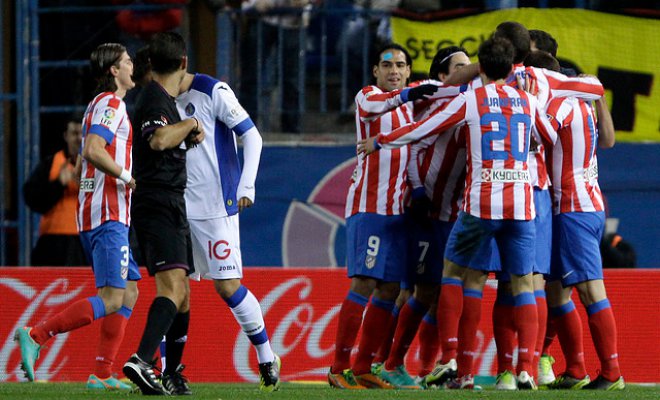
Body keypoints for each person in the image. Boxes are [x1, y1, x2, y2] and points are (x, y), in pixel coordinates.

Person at [359, 37, 558, 390]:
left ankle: (456, 365)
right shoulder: (527, 99)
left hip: (480, 205)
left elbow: (424, 129)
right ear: (512, 68)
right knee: (524, 283)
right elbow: (549, 136)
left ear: (479, 68)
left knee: (455, 274)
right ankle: (525, 368)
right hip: (521, 204)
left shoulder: (472, 100)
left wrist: (380, 141)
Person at [15, 43, 139, 391]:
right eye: (128, 61)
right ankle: (37, 334)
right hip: (107, 215)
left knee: (128, 293)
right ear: (114, 70)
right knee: (113, 297)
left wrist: (89, 192)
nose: (133, 65)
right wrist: (128, 179)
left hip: (102, 213)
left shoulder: (97, 106)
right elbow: (92, 151)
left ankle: (102, 374)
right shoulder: (111, 104)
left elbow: (85, 163)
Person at [327, 43, 441, 390]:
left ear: (408, 70)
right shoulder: (368, 97)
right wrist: (411, 91)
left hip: (398, 213)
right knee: (364, 282)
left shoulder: (410, 113)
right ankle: (338, 368)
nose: (394, 70)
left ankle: (364, 367)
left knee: (391, 289)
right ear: (375, 71)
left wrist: (419, 192)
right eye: (387, 65)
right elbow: (381, 103)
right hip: (370, 207)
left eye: (400, 65)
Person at [175, 69, 280, 391]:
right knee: (175, 289)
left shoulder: (212, 90)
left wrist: (246, 185)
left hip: (216, 205)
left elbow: (252, 135)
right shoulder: (159, 97)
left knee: (227, 286)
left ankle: (266, 356)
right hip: (177, 205)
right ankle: (167, 369)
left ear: (181, 63)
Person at [375, 46, 472, 389]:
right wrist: (416, 189)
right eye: (461, 67)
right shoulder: (434, 99)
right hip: (423, 208)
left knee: (431, 292)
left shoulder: (471, 104)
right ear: (442, 77)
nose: (470, 71)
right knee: (417, 290)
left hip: (452, 213)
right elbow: (413, 145)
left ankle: (420, 366)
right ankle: (385, 361)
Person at [123, 32, 204, 396]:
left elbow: (160, 142)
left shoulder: (162, 99)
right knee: (172, 289)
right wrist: (189, 125)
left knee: (182, 293)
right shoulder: (155, 97)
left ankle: (172, 373)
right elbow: (157, 139)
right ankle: (141, 360)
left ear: (152, 63)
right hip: (158, 203)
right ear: (184, 63)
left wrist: (185, 133)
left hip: (169, 202)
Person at [544, 69, 624, 391]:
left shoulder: (560, 105)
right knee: (556, 290)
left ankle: (612, 372)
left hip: (573, 207)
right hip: (585, 203)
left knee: (591, 289)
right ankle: (576, 369)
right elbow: (609, 140)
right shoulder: (585, 105)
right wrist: (598, 96)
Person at [239, 0, 313, 133]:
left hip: (294, 20)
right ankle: (245, 128)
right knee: (250, 76)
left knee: (292, 79)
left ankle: (291, 129)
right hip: (260, 16)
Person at [23, 118, 87, 266]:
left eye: (82, 133)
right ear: (66, 136)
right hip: (53, 243)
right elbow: (31, 197)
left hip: (85, 242)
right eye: (74, 133)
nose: (78, 138)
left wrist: (83, 184)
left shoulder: (97, 165)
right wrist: (58, 184)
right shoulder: (51, 163)